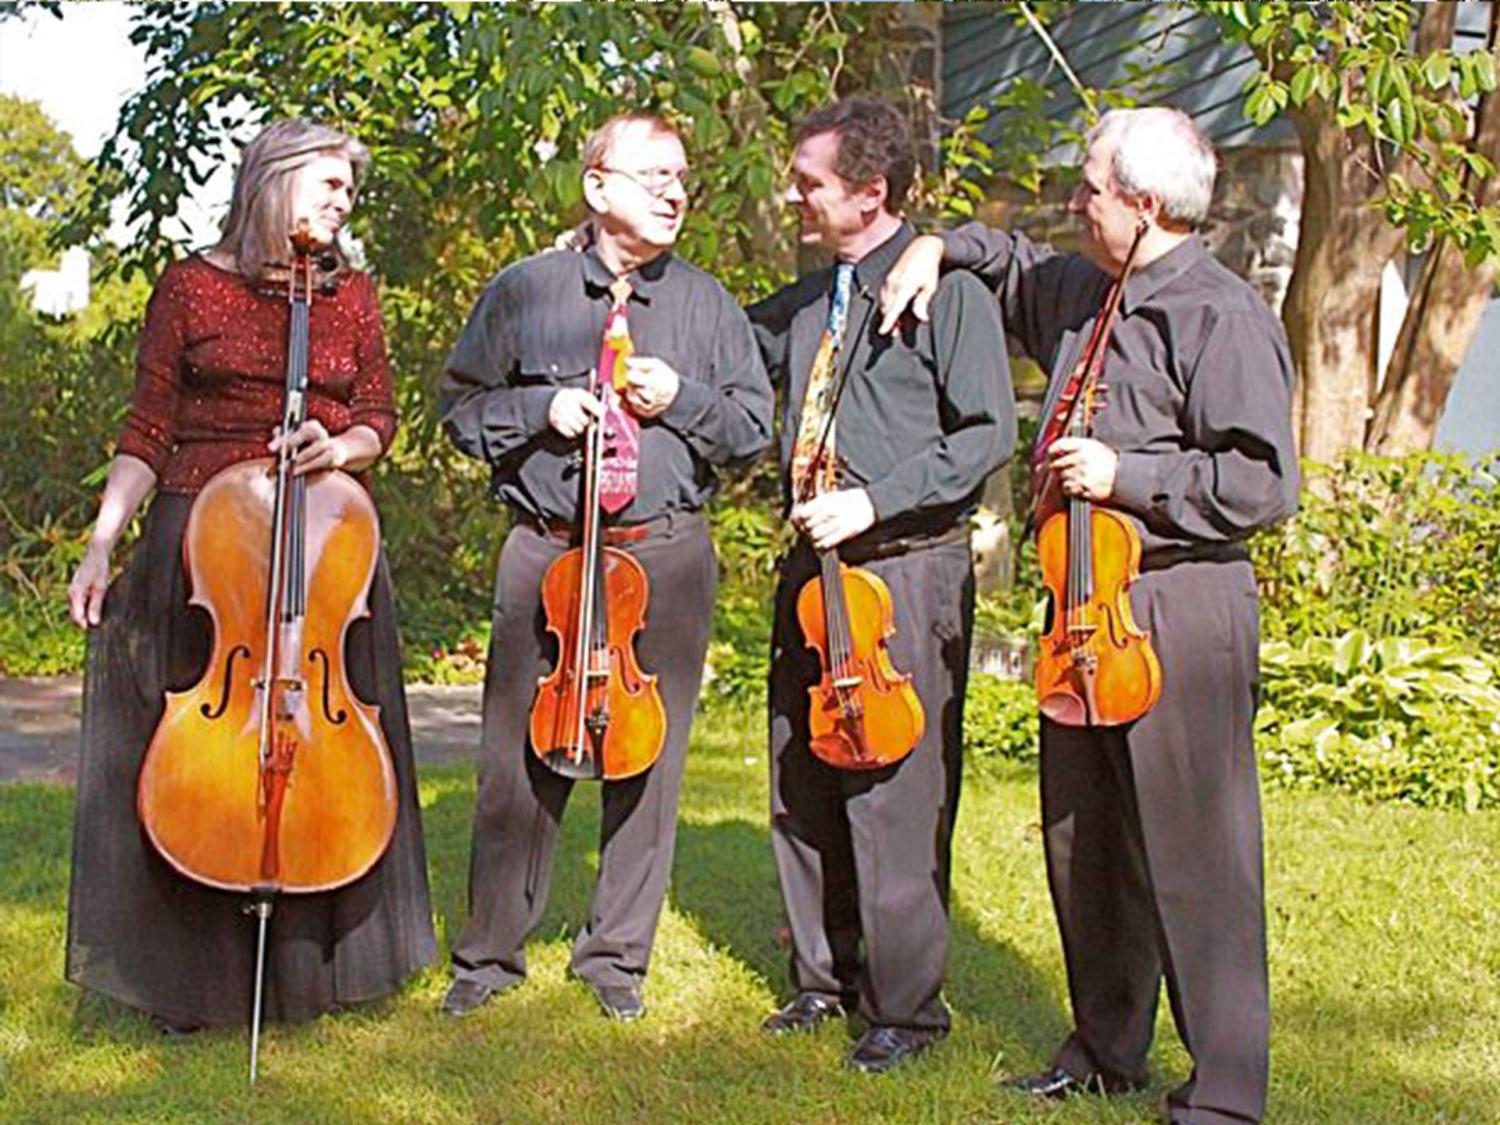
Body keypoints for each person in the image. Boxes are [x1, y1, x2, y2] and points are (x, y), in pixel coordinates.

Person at [881, 106, 1299, 1123]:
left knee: (1199, 854)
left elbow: (1263, 483)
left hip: (1177, 604)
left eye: (1092, 189)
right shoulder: (1085, 292)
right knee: (1086, 839)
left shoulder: (1221, 315)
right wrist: (936, 243)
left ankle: (1228, 1091)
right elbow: (1010, 259)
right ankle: (1106, 1049)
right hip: (1083, 615)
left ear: (1145, 205)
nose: (1077, 203)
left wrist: (1131, 474)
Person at [65, 119, 436, 1031]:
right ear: (271, 181)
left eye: (350, 190)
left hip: (321, 543)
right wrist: (105, 539)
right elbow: (148, 427)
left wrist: (337, 444)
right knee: (195, 757)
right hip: (206, 543)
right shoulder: (191, 286)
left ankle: (307, 971)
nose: (342, 202)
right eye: (328, 183)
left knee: (316, 747)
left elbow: (381, 417)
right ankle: (191, 977)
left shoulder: (351, 296)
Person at [437, 113, 773, 1022]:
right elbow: (461, 412)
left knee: (647, 757)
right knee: (519, 756)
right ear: (595, 186)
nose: (675, 192)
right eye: (653, 174)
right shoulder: (523, 292)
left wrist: (685, 398)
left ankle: (615, 959)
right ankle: (490, 956)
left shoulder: (707, 305)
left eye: (682, 177)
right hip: (546, 548)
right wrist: (541, 409)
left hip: (662, 552)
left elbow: (753, 427)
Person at [747, 96, 1015, 1074]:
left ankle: (905, 1008)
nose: (795, 195)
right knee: (804, 775)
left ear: (872, 191)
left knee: (897, 793)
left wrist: (874, 504)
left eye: (811, 182)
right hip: (812, 572)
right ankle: (824, 979)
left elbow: (988, 433)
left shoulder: (953, 296)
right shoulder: (815, 295)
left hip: (905, 567)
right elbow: (728, 350)